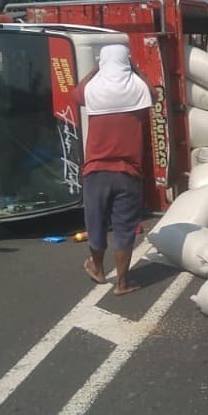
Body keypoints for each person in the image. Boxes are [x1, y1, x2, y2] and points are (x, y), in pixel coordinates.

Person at [75, 44, 151, 296]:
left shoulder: (93, 91)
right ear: (126, 62)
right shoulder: (137, 90)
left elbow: (75, 92)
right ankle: (122, 282)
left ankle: (97, 267)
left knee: (95, 223)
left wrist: (96, 69)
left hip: (95, 171)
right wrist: (136, 69)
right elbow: (154, 94)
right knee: (124, 228)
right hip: (128, 173)